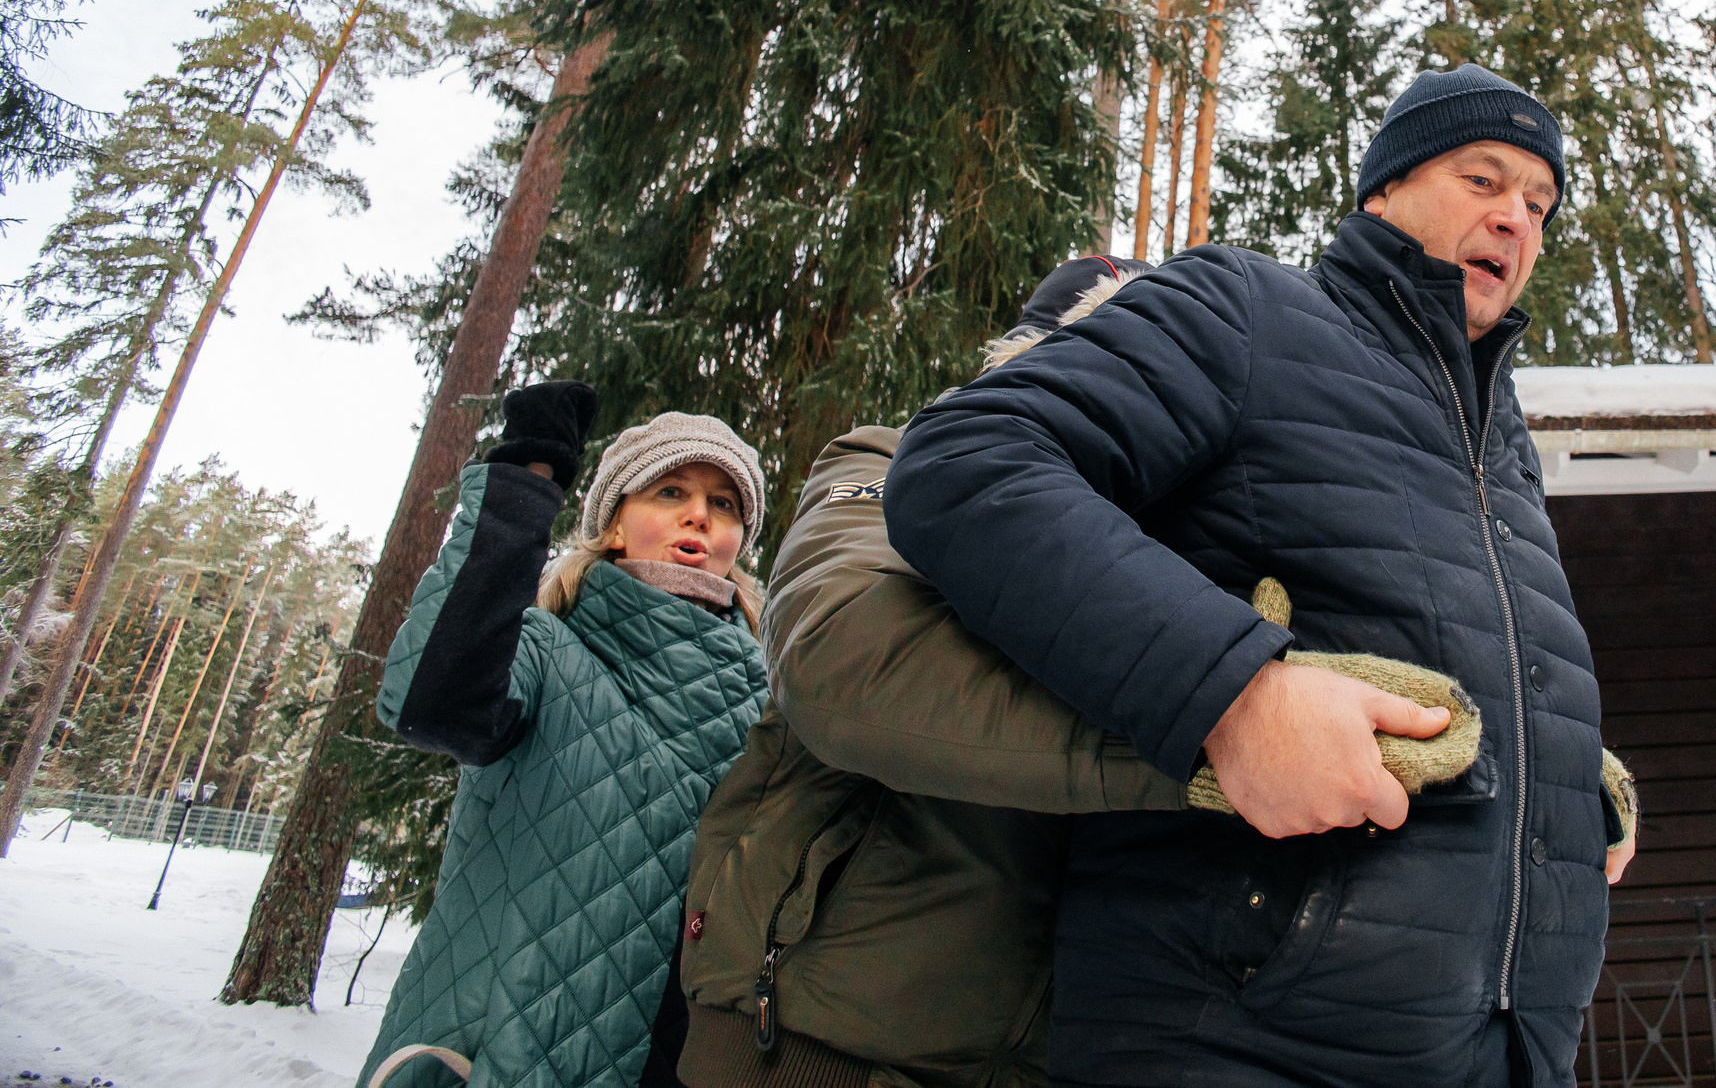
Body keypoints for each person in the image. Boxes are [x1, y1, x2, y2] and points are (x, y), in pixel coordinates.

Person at [887, 64, 1636, 1088]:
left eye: (1540, 204)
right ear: (1384, 190)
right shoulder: (1248, 310)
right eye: (1482, 178)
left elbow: (1426, 637)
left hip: (1509, 1055)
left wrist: (1559, 768)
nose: (1516, 218)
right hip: (1234, 1039)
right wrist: (1233, 694)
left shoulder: (1504, 439)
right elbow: (968, 463)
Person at [675, 255, 1195, 1088]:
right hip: (804, 1042)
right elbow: (844, 657)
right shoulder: (888, 461)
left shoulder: (1167, 548)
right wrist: (1206, 739)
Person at [358, 389, 770, 1088]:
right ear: (614, 526)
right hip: (501, 1061)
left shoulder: (767, 707)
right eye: (670, 490)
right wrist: (525, 485)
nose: (700, 514)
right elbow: (433, 700)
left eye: (724, 503)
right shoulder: (544, 651)